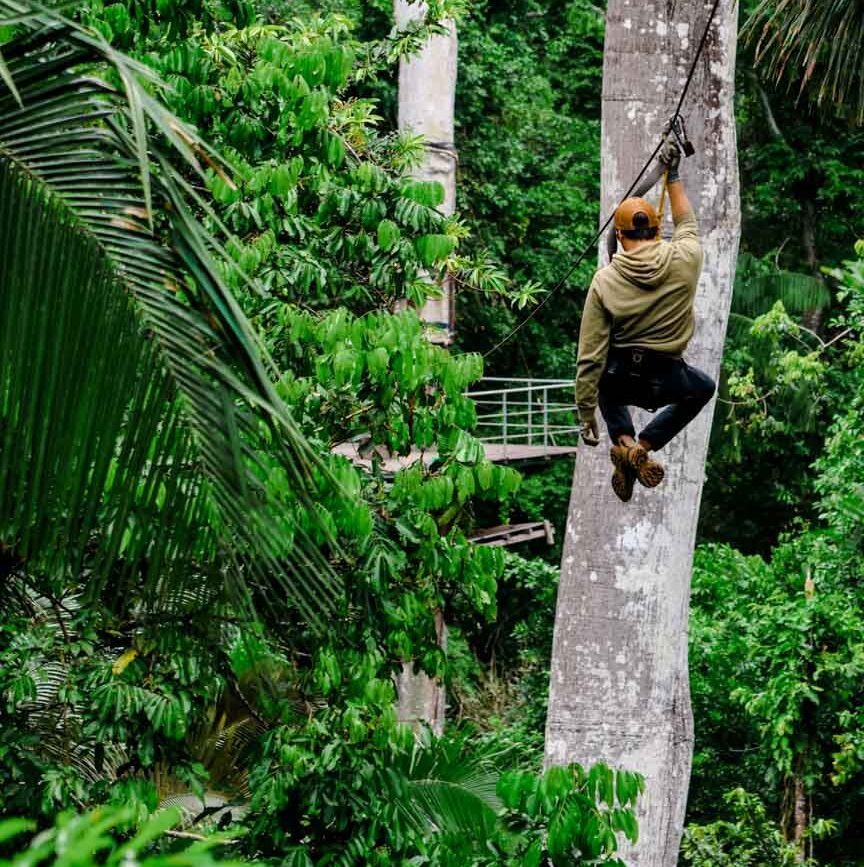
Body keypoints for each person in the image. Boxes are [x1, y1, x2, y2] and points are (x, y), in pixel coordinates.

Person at [575, 143, 716, 502]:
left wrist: (586, 414)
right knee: (703, 388)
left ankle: (624, 443)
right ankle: (644, 445)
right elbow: (687, 224)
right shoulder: (686, 258)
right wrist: (674, 175)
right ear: (656, 230)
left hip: (619, 379)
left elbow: (589, 358)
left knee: (601, 377)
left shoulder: (604, 281)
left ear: (620, 237)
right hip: (667, 378)